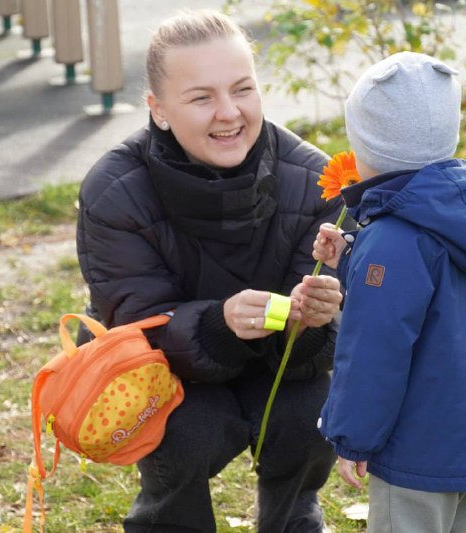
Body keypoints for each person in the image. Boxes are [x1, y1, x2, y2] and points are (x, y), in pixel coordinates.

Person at [75, 10, 346, 533]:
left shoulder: (316, 179)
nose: (229, 113)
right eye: (201, 98)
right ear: (158, 110)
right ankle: (167, 520)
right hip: (170, 377)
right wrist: (217, 324)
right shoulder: (114, 191)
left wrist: (310, 323)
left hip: (280, 369)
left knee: (310, 413)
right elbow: (132, 325)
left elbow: (337, 329)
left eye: (242, 89)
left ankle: (294, 518)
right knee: (187, 432)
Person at [313, 52, 466, 533]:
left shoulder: (392, 241)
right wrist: (355, 254)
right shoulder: (458, 219)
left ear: (370, 147)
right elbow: (428, 287)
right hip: (464, 436)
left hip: (413, 445)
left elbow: (373, 351)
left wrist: (352, 437)